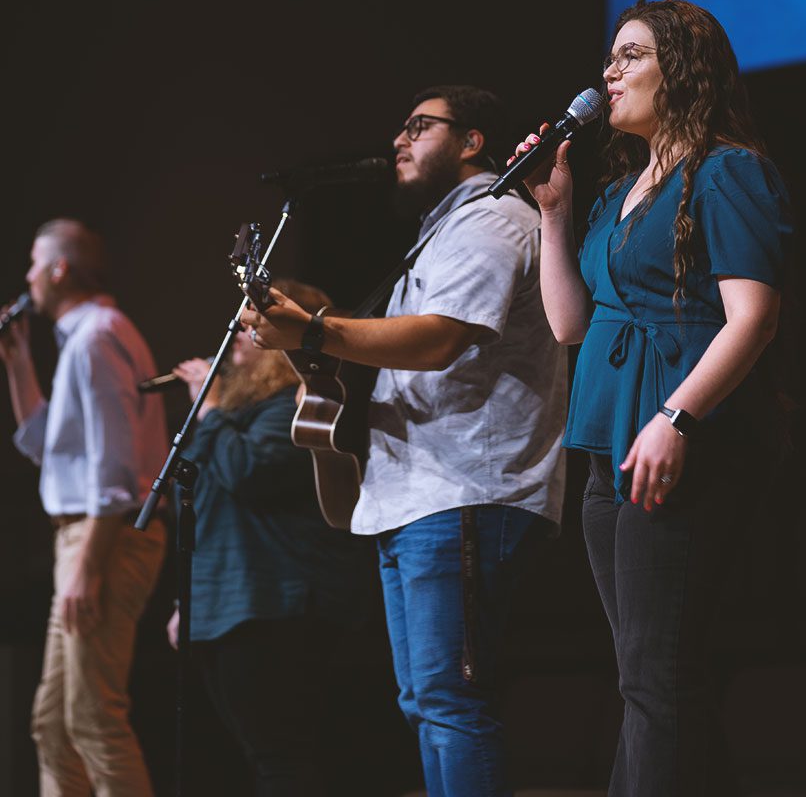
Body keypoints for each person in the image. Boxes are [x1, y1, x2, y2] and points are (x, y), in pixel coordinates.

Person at [241, 85, 567, 797]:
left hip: (466, 491)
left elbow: (439, 339)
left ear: (473, 139)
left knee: (450, 703)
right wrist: (310, 350)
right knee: (427, 704)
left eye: (419, 126)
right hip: (424, 493)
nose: (399, 140)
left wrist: (317, 331)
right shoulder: (445, 228)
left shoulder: (487, 220)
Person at [513, 0, 792, 796]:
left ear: (685, 69)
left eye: (631, 55)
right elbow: (571, 323)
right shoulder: (619, 192)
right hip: (611, 450)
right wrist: (555, 212)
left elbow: (754, 318)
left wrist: (677, 417)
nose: (609, 73)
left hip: (681, 447)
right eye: (610, 56)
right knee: (651, 675)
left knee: (656, 678)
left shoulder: (728, 170)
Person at [165, 279, 373, 797]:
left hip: (273, 604)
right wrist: (188, 600)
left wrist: (208, 409)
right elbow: (206, 511)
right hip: (227, 602)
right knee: (259, 756)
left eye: (249, 324)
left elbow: (249, 473)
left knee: (280, 756)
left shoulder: (294, 405)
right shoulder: (240, 413)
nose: (235, 333)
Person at [0, 219, 168, 796]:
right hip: (86, 538)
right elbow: (49, 446)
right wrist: (17, 360)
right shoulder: (84, 338)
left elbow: (116, 469)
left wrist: (88, 566)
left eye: (32, 263)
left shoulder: (96, 336)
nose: (26, 277)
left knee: (93, 718)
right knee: (53, 723)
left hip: (104, 538)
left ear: (59, 268)